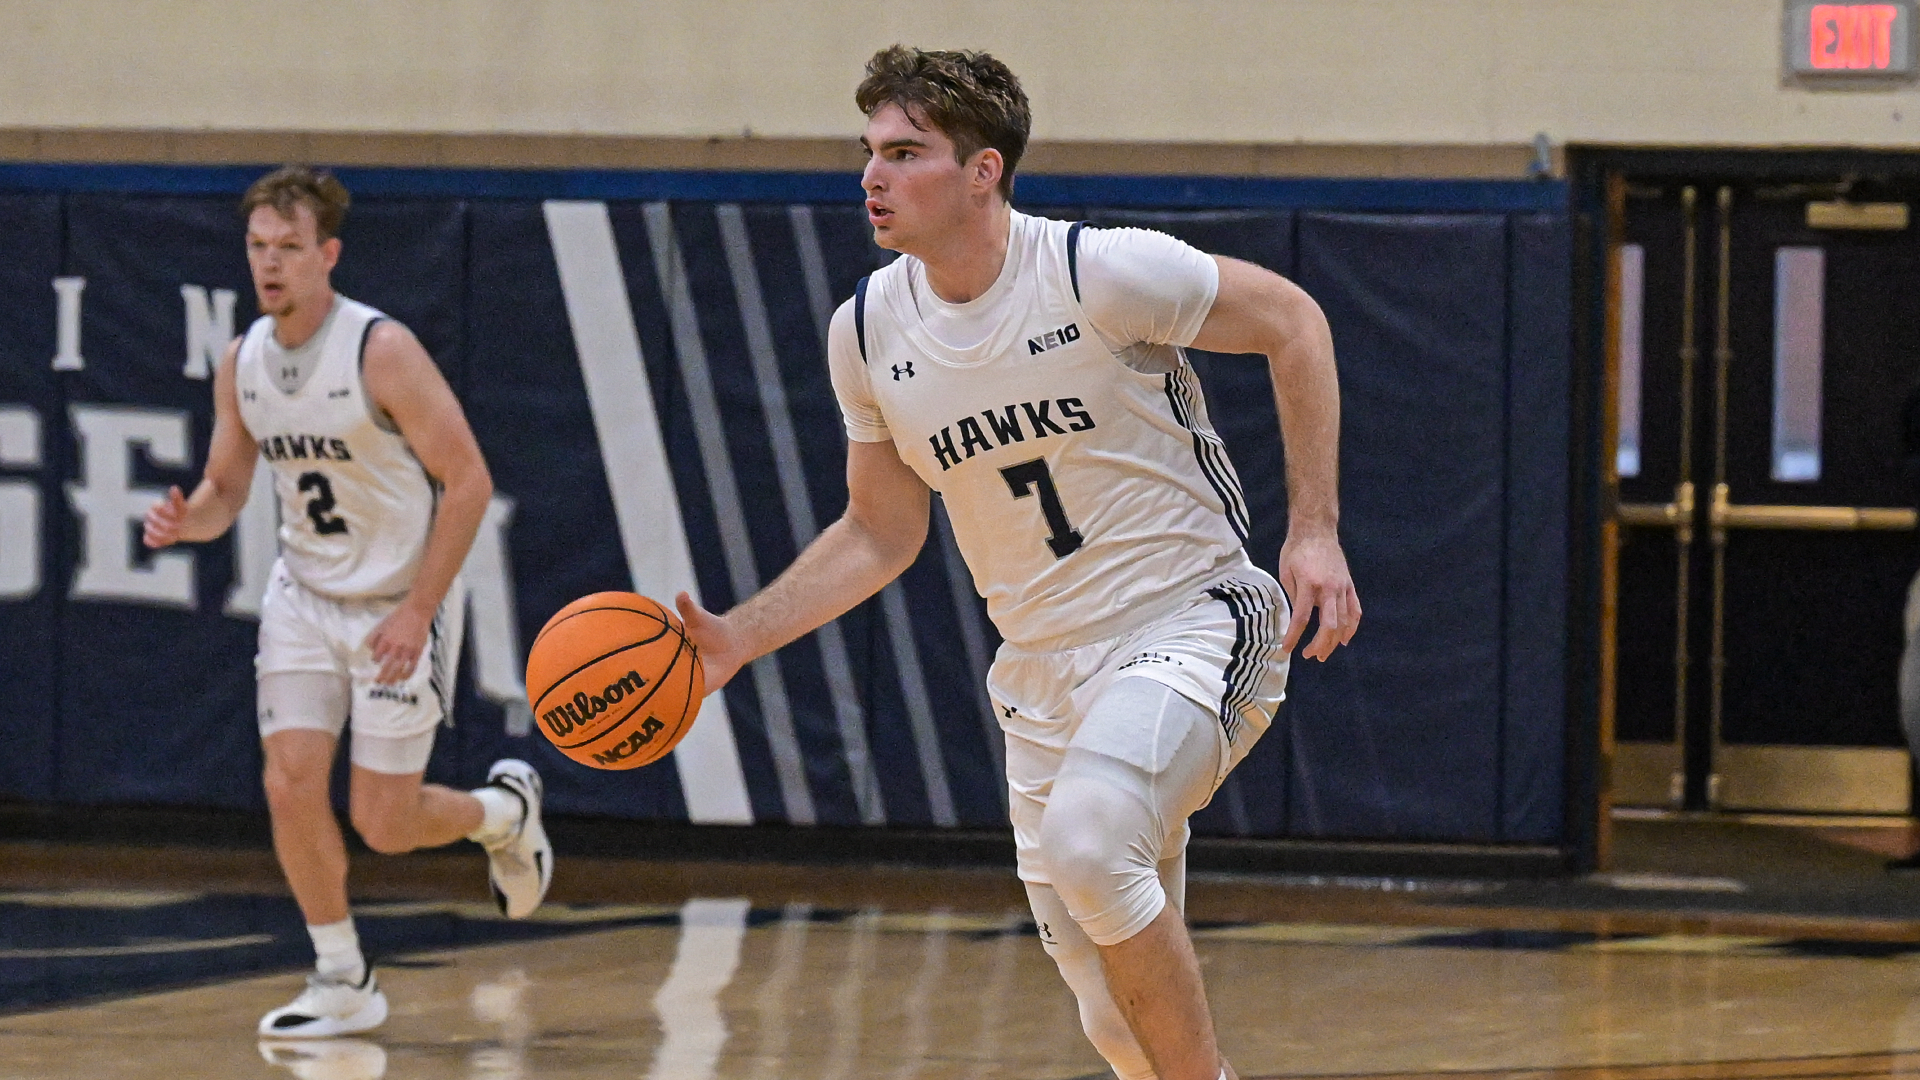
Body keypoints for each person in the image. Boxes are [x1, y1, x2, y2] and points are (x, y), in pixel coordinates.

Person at [678, 47, 1359, 1080]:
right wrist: (738, 636)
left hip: (1192, 616)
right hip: (1040, 673)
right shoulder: (864, 332)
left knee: (1093, 841)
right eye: (869, 152)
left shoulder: (1099, 272)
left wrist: (1314, 528)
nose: (873, 176)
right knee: (1113, 1019)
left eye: (905, 153)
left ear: (983, 170)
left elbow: (1294, 324)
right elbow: (878, 531)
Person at [142, 166, 552, 1037]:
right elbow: (226, 490)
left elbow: (470, 482)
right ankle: (341, 976)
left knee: (385, 823)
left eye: (289, 247)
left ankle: (505, 814)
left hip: (400, 598)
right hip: (303, 594)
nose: (270, 264)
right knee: (288, 784)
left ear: (328, 253)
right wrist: (188, 521)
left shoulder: (380, 350)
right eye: (258, 247)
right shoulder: (242, 361)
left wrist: (416, 612)